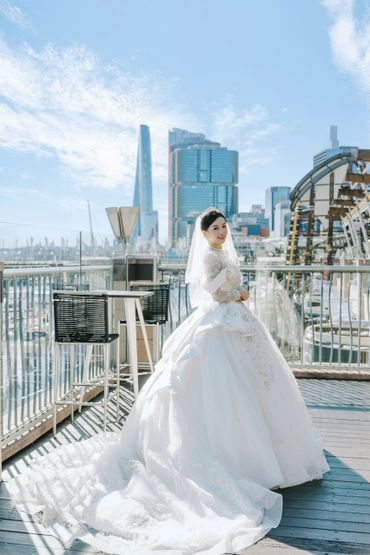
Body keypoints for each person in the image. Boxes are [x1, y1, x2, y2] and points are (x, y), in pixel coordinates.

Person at [8, 207, 330, 555]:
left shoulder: (222, 252)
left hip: (235, 320)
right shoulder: (209, 256)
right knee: (220, 385)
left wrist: (238, 294)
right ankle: (240, 457)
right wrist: (236, 294)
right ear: (203, 233)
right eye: (216, 228)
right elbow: (213, 291)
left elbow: (227, 285)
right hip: (221, 319)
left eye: (224, 227)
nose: (222, 232)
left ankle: (266, 455)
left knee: (251, 384)